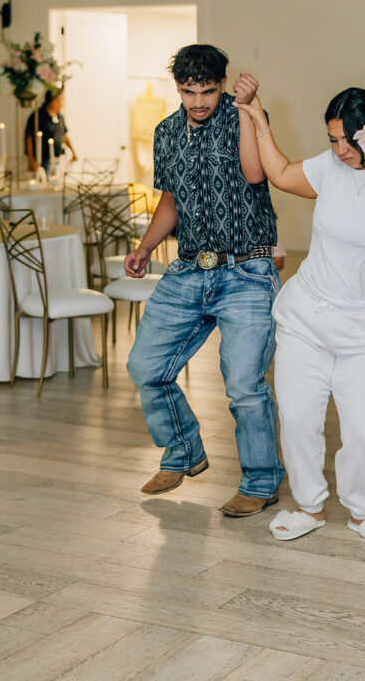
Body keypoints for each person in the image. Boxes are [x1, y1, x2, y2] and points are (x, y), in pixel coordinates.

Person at [236, 83, 365, 544]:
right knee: (297, 419)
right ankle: (309, 505)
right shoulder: (329, 168)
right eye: (332, 139)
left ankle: (362, 511)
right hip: (308, 319)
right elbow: (281, 173)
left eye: (347, 140)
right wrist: (258, 120)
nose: (340, 150)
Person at [125, 44, 284, 516]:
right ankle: (183, 451)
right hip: (190, 268)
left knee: (244, 384)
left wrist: (251, 109)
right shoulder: (166, 132)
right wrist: (145, 247)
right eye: (189, 91)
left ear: (222, 84)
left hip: (247, 271)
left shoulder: (242, 116)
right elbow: (171, 200)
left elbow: (256, 174)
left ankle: (260, 481)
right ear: (178, 87)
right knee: (145, 368)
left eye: (208, 91)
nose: (198, 100)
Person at [24, 89, 78, 172]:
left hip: (58, 159)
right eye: (61, 100)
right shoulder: (37, 116)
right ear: (53, 101)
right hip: (42, 160)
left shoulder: (60, 117)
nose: (63, 104)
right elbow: (29, 139)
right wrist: (31, 160)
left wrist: (73, 152)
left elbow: (64, 135)